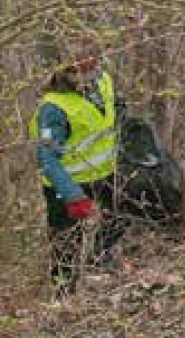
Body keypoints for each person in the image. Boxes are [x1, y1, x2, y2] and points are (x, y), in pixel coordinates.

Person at [29, 45, 127, 294]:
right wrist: (74, 196)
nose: (91, 70)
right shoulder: (53, 109)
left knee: (113, 227)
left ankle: (102, 277)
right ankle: (63, 297)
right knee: (66, 248)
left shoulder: (103, 80)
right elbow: (47, 157)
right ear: (67, 70)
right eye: (83, 67)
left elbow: (109, 111)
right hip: (66, 187)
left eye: (93, 63)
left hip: (104, 175)